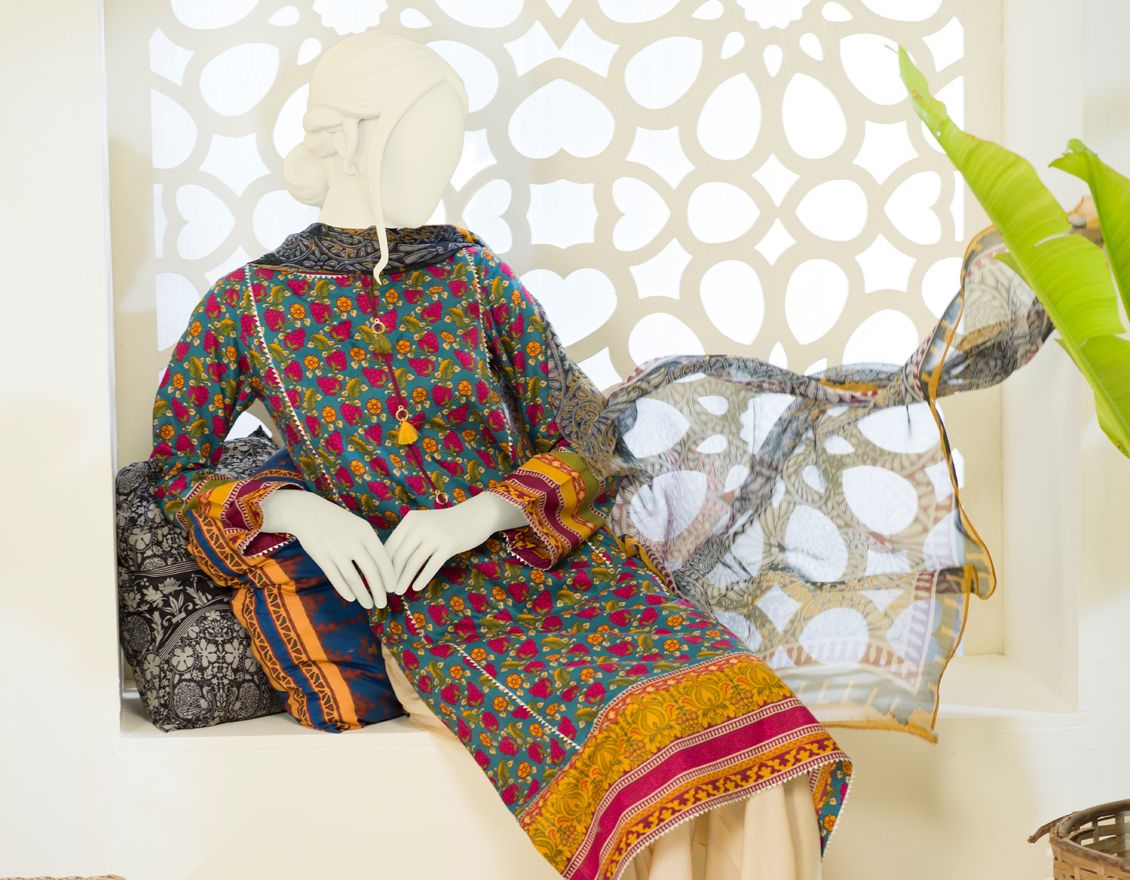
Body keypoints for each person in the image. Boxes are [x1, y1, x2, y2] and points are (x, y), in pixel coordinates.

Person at [149, 29, 853, 880]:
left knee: (758, 723)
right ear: (363, 139)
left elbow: (591, 435)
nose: (445, 165)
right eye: (429, 140)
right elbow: (177, 467)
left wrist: (482, 512)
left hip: (575, 577)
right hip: (435, 615)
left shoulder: (475, 277)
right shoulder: (247, 306)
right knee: (648, 755)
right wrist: (292, 506)